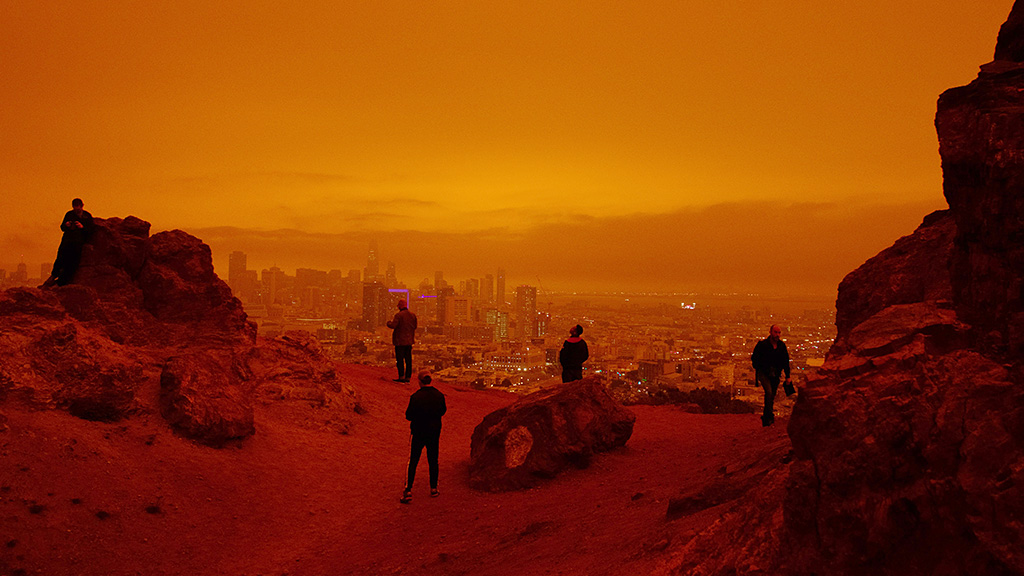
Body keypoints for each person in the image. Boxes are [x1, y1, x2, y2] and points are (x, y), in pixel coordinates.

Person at [401, 370, 446, 504]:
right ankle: (434, 488)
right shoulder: (439, 395)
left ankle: (408, 490)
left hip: (419, 431)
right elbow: (443, 411)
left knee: (413, 460)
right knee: (433, 460)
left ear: (419, 381)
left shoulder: (416, 397)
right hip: (434, 431)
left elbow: (408, 415)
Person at [41, 198, 94, 287]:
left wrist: (82, 227)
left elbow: (91, 230)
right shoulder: (69, 214)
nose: (76, 210)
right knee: (60, 259)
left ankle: (61, 282)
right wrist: (67, 225)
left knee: (72, 263)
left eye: (78, 207)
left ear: (82, 206)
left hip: (78, 243)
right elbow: (62, 227)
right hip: (67, 241)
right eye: (75, 207)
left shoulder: (87, 216)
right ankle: (54, 276)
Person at [750, 324, 792, 427]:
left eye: (779, 333)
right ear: (770, 332)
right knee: (769, 393)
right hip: (764, 373)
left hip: (775, 375)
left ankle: (767, 416)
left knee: (771, 395)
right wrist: (759, 368)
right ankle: (768, 417)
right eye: (775, 332)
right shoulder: (762, 345)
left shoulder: (782, 347)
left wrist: (788, 376)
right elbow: (754, 358)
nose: (777, 335)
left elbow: (785, 361)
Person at [386, 299, 418, 383]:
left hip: (400, 341)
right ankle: (408, 377)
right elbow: (415, 326)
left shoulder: (399, 315)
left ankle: (401, 376)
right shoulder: (413, 315)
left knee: (400, 360)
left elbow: (393, 325)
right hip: (409, 341)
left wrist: (388, 323)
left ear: (399, 306)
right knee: (408, 360)